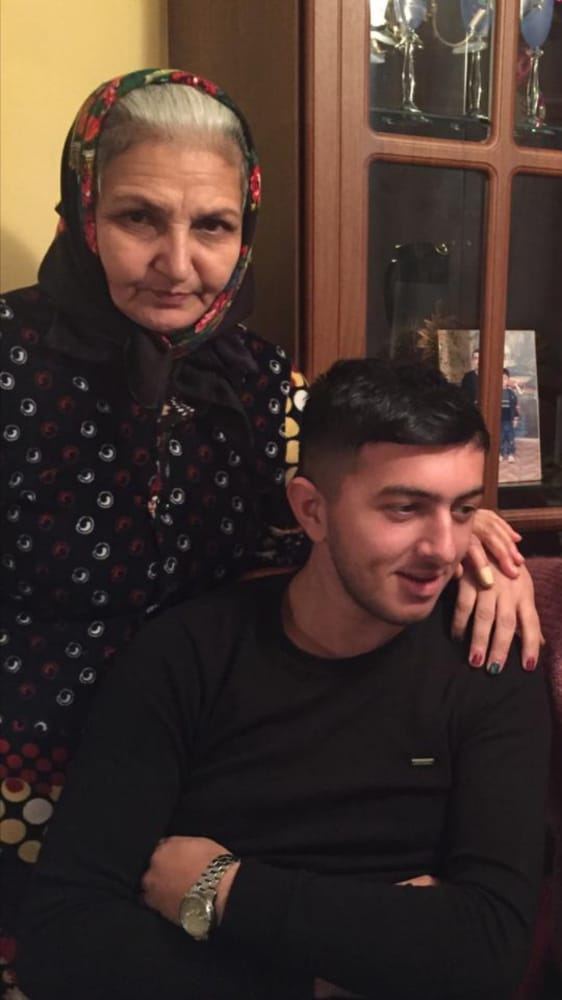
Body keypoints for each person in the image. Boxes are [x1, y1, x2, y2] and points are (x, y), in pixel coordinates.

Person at [0, 68, 539, 990]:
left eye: (212, 226)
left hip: (208, 755)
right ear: (82, 211)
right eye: (138, 218)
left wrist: (481, 540)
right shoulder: (10, 366)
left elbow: (357, 484)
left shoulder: (257, 381)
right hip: (36, 763)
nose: (178, 263)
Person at [18, 361, 550, 1000]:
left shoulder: (490, 655)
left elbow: (489, 950)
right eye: (405, 508)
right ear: (311, 510)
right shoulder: (187, 654)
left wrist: (218, 889)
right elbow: (61, 941)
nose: (443, 547)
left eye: (463, 510)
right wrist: (334, 974)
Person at [500, 368, 520, 463]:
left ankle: (511, 454)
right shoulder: (495, 393)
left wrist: (515, 418)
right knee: (500, 437)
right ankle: (500, 454)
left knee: (510, 437)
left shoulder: (511, 393)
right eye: (500, 378)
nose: (502, 381)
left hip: (509, 419)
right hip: (499, 420)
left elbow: (515, 406)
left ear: (508, 380)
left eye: (504, 378)